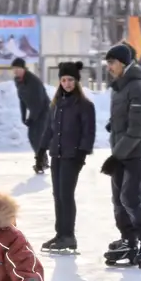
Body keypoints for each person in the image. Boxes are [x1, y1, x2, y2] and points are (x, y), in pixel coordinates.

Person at [100, 44, 141, 267]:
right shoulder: (121, 86)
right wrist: (113, 124)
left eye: (112, 63)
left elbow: (138, 128)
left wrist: (116, 156)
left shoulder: (138, 87)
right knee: (118, 200)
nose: (109, 67)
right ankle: (129, 240)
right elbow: (127, 116)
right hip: (123, 150)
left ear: (123, 63)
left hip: (138, 152)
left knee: (130, 197)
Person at [39, 61, 96, 253]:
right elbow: (49, 129)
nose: (67, 83)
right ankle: (60, 234)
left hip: (72, 156)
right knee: (57, 195)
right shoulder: (56, 104)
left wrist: (82, 153)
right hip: (57, 154)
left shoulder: (85, 105)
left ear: (77, 81)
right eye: (63, 80)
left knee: (66, 194)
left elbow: (89, 132)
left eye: (70, 79)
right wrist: (41, 150)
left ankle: (69, 236)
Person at [12, 58, 51, 173]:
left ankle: (41, 162)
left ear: (24, 68)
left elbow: (39, 102)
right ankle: (43, 161)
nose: (16, 71)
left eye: (18, 69)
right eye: (14, 69)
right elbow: (22, 99)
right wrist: (23, 116)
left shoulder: (33, 81)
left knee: (36, 136)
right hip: (34, 111)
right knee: (33, 137)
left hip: (43, 111)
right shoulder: (18, 81)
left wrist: (31, 118)